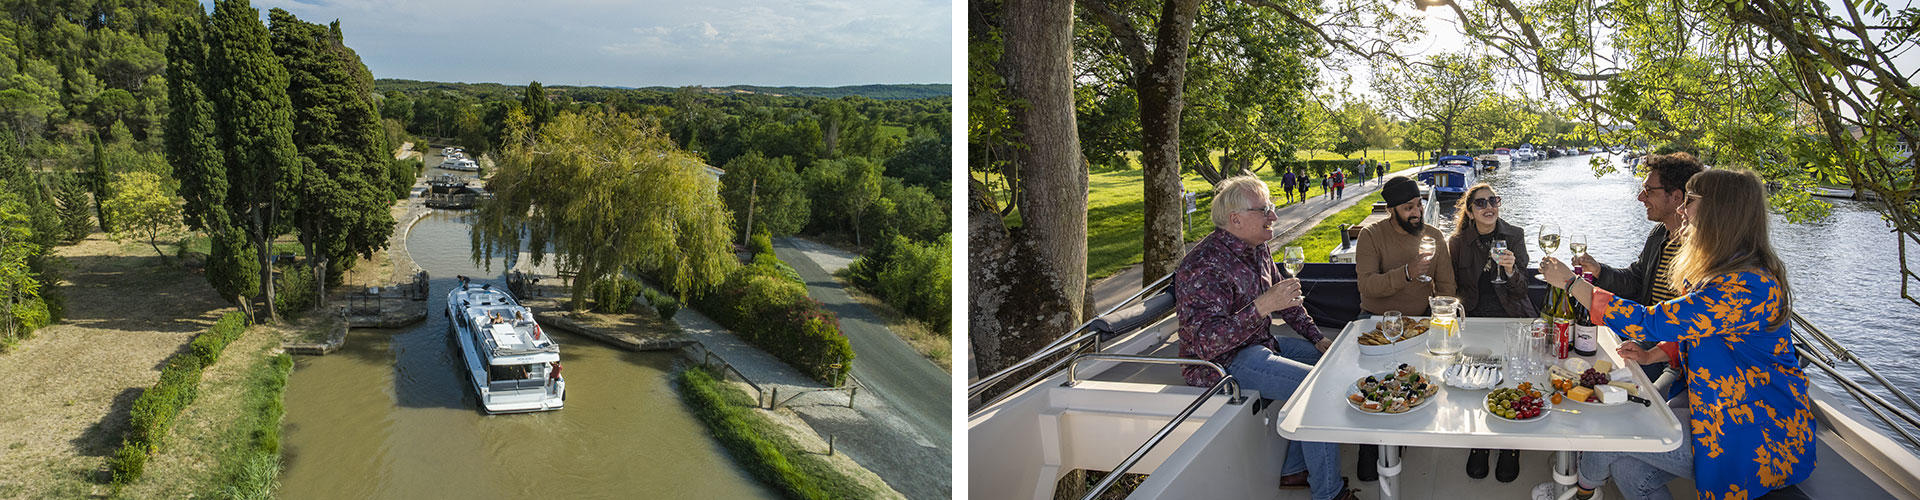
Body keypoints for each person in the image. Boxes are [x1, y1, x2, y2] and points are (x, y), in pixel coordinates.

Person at [1540, 169, 1814, 500]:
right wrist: (1656, 354)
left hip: (1750, 435)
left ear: (1721, 211)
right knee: (1629, 470)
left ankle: (1578, 494)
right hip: (1711, 408)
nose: (1682, 208)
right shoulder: (1725, 270)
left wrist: (1572, 283)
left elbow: (1647, 323)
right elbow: (1703, 332)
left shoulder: (1746, 285)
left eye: (1692, 200)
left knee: (1613, 434)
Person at [1176, 175, 1356, 500]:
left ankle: (1292, 469)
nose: (1274, 216)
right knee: (1317, 389)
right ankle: (1329, 494)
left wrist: (1317, 339)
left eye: (1271, 207)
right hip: (1221, 365)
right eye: (1266, 210)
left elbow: (1284, 300)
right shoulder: (1203, 266)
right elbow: (1206, 344)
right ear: (1236, 219)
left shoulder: (1257, 248)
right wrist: (1261, 307)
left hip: (1260, 345)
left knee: (1331, 365)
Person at [1572, 153, 1704, 391]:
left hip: (1681, 356)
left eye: (1648, 191)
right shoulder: (1658, 235)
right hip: (1649, 339)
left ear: (1676, 197)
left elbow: (1679, 322)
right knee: (1586, 369)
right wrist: (1600, 270)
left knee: (1620, 389)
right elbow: (1636, 281)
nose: (1640, 197)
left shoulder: (1705, 253)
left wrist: (1572, 284)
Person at [1446, 184, 1535, 482]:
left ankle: (1510, 446)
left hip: (1511, 316)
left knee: (1511, 377)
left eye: (1493, 200)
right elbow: (1452, 287)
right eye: (1481, 202)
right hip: (1473, 318)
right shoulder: (1457, 242)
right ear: (1470, 211)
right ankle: (1480, 441)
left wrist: (1511, 271)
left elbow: (1522, 290)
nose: (1489, 206)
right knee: (1476, 379)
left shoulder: (1515, 235)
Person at [1356, 176, 1456, 316]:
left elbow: (1446, 285)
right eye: (1409, 208)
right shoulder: (1370, 235)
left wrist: (1441, 316)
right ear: (1391, 210)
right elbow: (1366, 286)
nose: (1417, 212)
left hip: (1421, 319)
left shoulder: (1434, 235)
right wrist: (1407, 273)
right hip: (1375, 318)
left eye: (1419, 204)